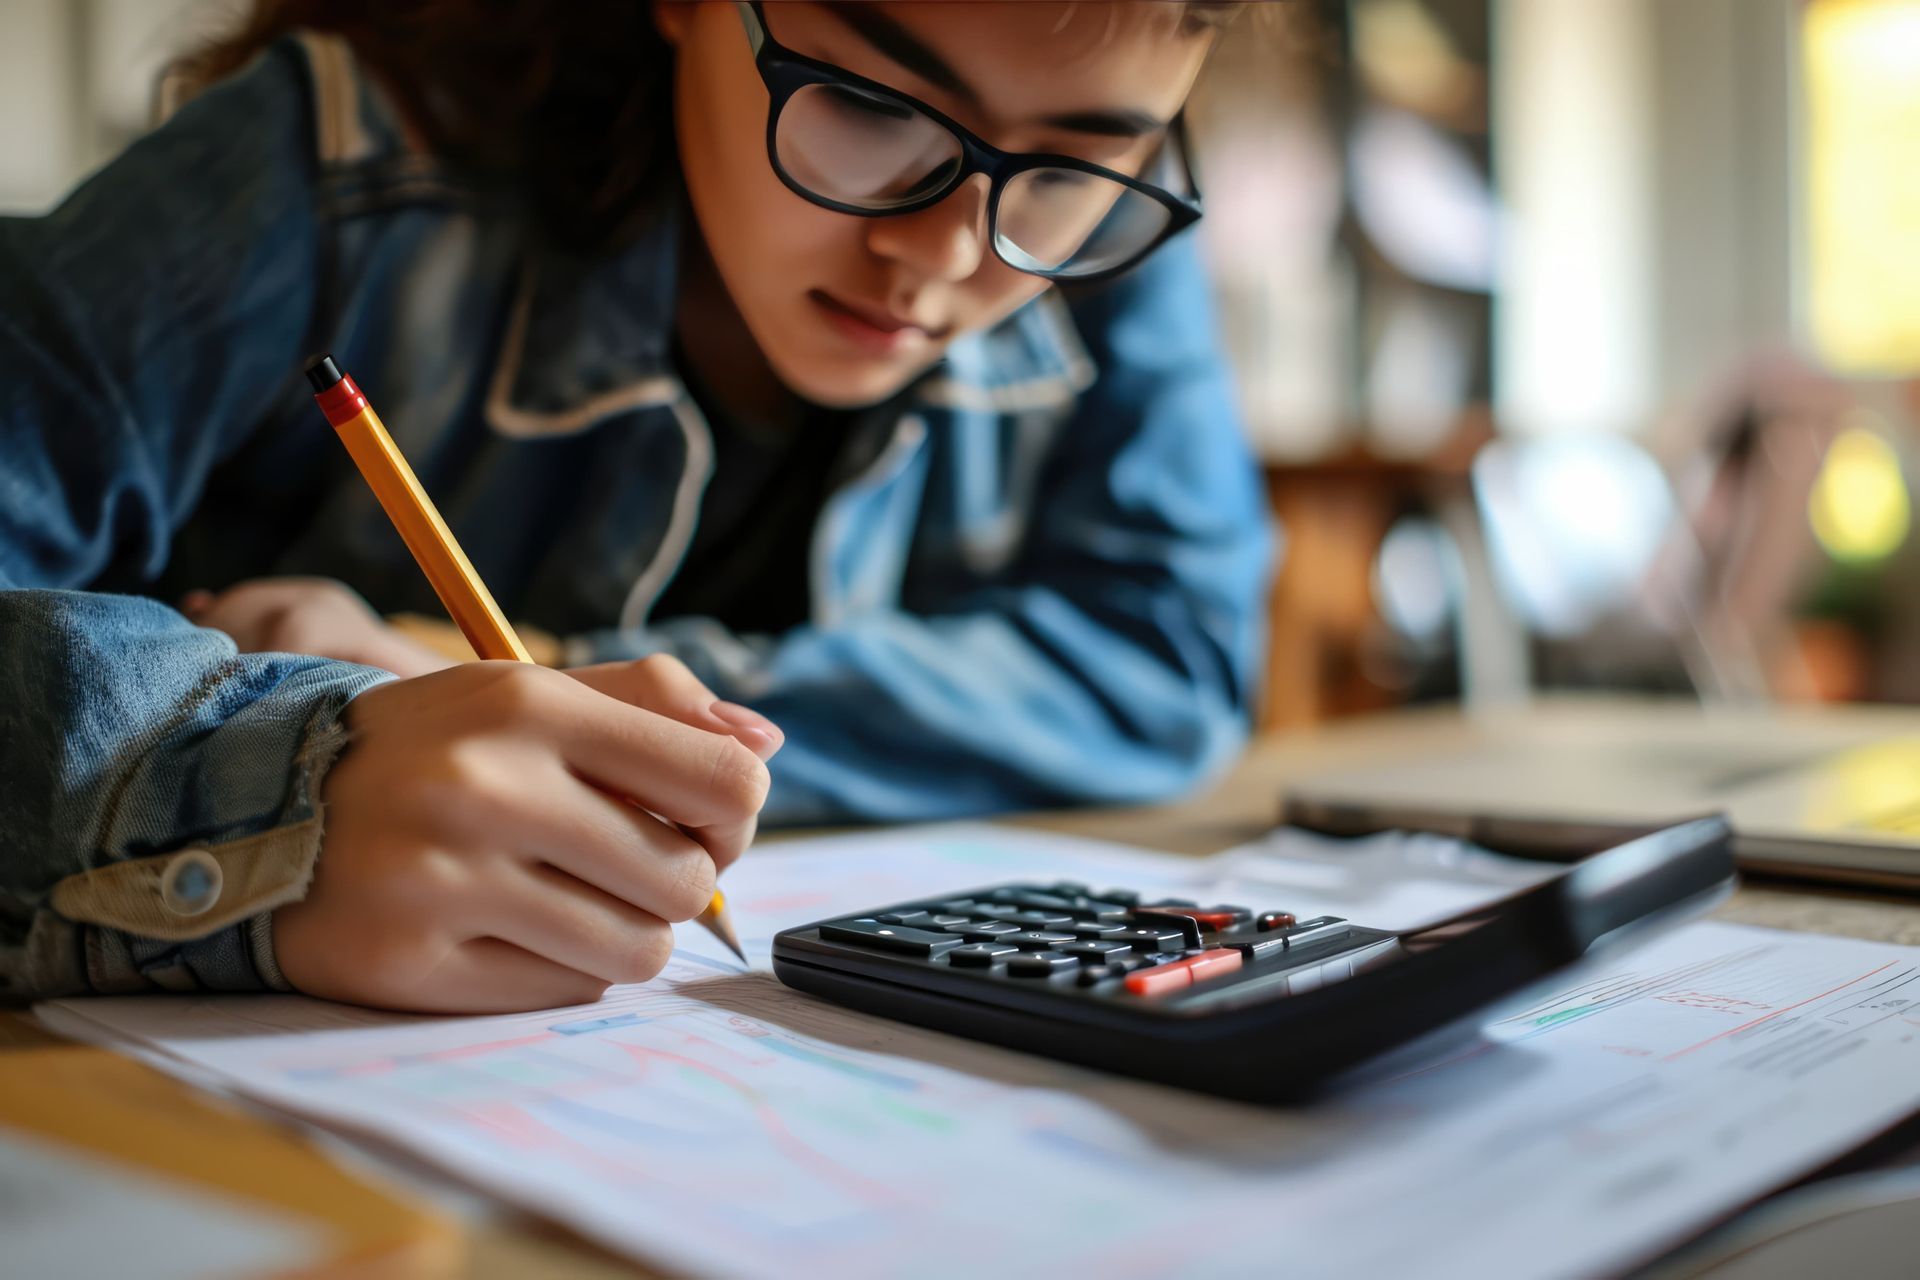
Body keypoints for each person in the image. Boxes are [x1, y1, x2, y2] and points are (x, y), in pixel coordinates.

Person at [0, 2, 1272, 1012]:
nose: (946, 253)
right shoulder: (328, 165)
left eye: (1076, 163)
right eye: (872, 108)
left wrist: (555, 682)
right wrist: (275, 787)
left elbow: (1174, 652)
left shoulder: (1096, 237)